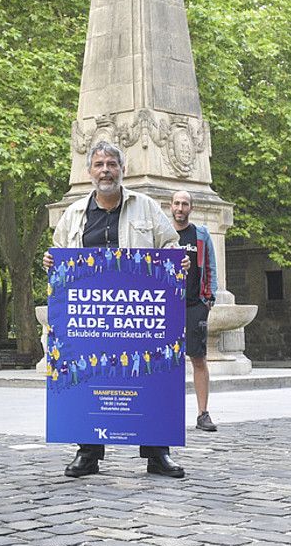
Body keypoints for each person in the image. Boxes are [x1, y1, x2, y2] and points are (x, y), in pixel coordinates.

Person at [44, 141, 186, 478]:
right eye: (99, 164)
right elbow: (59, 253)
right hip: (91, 317)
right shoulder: (74, 214)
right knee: (87, 379)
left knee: (149, 378)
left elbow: (169, 245)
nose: (105, 170)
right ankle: (88, 453)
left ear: (122, 169)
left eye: (111, 164)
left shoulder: (147, 208)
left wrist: (176, 262)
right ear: (89, 171)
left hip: (138, 315)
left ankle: (157, 455)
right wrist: (50, 260)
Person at [169, 190, 219, 432]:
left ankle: (203, 413)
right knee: (166, 360)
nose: (180, 208)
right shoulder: (164, 235)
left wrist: (209, 298)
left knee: (198, 357)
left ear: (191, 208)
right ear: (170, 207)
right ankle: (166, 411)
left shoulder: (200, 235)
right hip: (167, 304)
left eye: (185, 204)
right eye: (177, 203)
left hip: (194, 302)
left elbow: (210, 266)